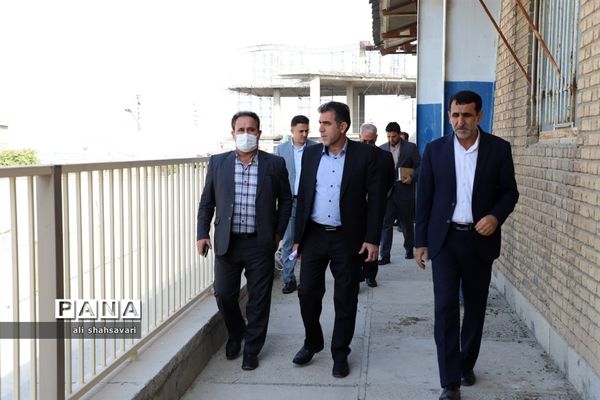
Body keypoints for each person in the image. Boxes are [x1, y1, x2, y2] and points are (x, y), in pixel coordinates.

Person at [414, 90, 519, 400]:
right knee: (445, 308)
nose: (460, 121)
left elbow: (510, 192)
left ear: (479, 116)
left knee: (474, 307)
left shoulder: (498, 149)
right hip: (445, 241)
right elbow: (424, 197)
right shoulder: (435, 150)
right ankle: (450, 382)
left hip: (479, 241)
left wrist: (495, 217)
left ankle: (466, 363)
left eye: (467, 115)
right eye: (455, 115)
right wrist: (420, 241)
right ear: (449, 116)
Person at [291, 101, 386, 378]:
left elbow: (376, 200)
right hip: (314, 236)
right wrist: (298, 239)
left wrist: (372, 239)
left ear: (342, 127)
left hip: (348, 238)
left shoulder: (365, 155)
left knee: (345, 297)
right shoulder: (310, 154)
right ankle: (313, 342)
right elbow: (304, 197)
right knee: (307, 294)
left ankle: (340, 352)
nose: (320, 129)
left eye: (326, 123)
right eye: (319, 123)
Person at [196, 111, 292, 371]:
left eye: (251, 130)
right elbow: (207, 201)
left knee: (259, 300)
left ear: (259, 133)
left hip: (260, 243)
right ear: (233, 134)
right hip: (227, 242)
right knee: (224, 294)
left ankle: (252, 349)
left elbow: (285, 200)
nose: (246, 134)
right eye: (241, 130)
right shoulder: (218, 163)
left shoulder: (274, 164)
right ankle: (237, 333)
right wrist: (202, 233)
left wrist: (278, 232)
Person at [276, 115, 317, 294]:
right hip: (290, 201)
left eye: (307, 131)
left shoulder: (316, 147)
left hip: (311, 200)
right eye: (301, 131)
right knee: (288, 241)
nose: (304, 134)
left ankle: (308, 280)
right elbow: (277, 176)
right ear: (292, 130)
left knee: (309, 241)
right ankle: (289, 279)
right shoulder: (281, 149)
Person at [358, 123, 395, 287]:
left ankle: (370, 274)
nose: (367, 145)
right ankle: (357, 274)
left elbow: (390, 180)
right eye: (364, 141)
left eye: (371, 142)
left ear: (376, 139)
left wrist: (378, 198)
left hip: (376, 207)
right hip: (355, 207)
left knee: (373, 239)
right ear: (359, 138)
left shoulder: (385, 157)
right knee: (355, 241)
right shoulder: (351, 155)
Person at [379, 122, 420, 264]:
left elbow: (420, 166)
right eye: (389, 136)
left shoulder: (410, 148)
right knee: (386, 224)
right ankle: (385, 255)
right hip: (388, 193)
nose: (391, 139)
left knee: (406, 224)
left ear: (399, 134)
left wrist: (412, 178)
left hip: (405, 191)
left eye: (394, 136)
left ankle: (409, 249)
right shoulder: (382, 149)